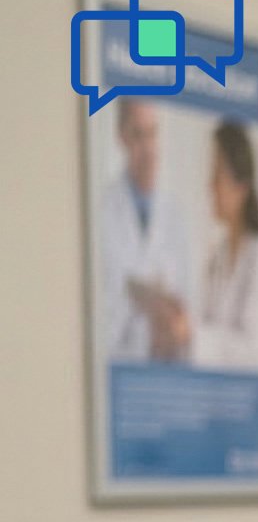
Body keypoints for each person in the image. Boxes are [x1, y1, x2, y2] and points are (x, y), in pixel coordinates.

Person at [94, 99, 194, 363]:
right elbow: (99, 311)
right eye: (138, 135)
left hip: (169, 371)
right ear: (121, 137)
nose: (148, 148)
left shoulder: (175, 215)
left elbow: (184, 309)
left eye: (152, 134)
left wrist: (146, 298)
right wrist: (140, 300)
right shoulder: (101, 211)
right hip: (120, 366)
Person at [174, 120, 258, 370]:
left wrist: (193, 334)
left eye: (217, 176)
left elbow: (256, 351)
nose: (210, 187)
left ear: (241, 187)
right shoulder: (218, 257)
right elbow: (208, 328)